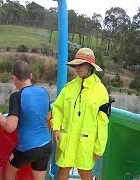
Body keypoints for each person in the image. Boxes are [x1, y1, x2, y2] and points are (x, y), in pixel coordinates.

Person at [51, 48, 109, 180]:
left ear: (90, 66)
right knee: (63, 167)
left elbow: (103, 122)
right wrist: (56, 128)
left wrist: (99, 147)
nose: (78, 67)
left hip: (86, 141)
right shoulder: (69, 88)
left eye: (81, 64)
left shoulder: (101, 91)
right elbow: (58, 108)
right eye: (76, 64)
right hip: (67, 138)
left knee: (84, 171)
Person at [0, 60, 52, 180]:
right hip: (47, 145)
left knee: (10, 171)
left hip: (28, 148)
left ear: (14, 78)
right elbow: (48, 117)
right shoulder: (44, 92)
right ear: (31, 76)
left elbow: (10, 127)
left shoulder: (16, 96)